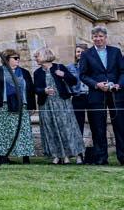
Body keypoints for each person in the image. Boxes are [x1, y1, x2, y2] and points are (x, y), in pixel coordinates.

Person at [78, 26, 124, 165]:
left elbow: (123, 71)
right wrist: (96, 84)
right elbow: (83, 75)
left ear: (105, 37)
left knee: (121, 126)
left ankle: (122, 157)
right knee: (98, 127)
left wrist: (119, 84)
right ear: (92, 38)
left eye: (100, 36)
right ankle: (101, 158)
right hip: (96, 95)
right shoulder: (86, 54)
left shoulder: (115, 52)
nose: (98, 39)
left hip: (116, 94)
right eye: (95, 37)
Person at [33, 47, 84, 164]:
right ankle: (57, 155)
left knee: (68, 128)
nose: (35, 58)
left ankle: (77, 154)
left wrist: (64, 74)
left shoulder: (59, 67)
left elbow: (74, 81)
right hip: (46, 105)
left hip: (62, 103)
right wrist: (44, 90)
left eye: (37, 56)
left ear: (45, 56)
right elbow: (35, 89)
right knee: (51, 130)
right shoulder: (37, 72)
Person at [0, 49, 36, 164]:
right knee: (2, 132)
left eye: (18, 58)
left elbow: (30, 89)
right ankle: (3, 156)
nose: (18, 60)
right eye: (15, 58)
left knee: (23, 132)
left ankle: (25, 156)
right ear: (7, 59)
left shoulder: (24, 72)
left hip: (21, 107)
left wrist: (32, 105)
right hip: (2, 106)